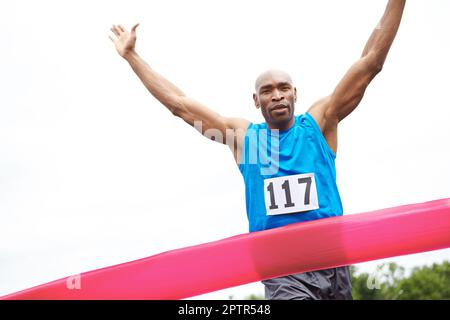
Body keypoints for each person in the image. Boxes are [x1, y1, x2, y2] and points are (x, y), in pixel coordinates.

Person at [109, 0, 406, 300]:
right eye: (267, 91)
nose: (276, 95)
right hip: (283, 273)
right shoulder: (244, 139)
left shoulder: (321, 123)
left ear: (295, 94)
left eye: (283, 88)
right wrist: (133, 57)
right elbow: (179, 104)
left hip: (333, 264)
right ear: (256, 100)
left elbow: (370, 62)